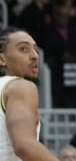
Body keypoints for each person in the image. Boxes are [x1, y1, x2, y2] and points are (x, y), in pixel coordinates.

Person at [0, 26, 59, 160]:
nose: (35, 56)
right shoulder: (21, 86)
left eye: (36, 50)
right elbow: (24, 145)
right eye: (23, 49)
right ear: (2, 59)